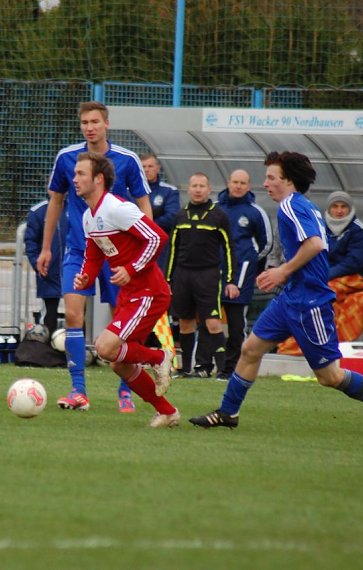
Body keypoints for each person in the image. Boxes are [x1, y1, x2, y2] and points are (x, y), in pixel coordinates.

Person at [190, 151, 363, 435]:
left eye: (271, 177)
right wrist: (284, 274)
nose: (265, 183)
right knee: (250, 349)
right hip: (289, 299)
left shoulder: (292, 205)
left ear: (289, 180)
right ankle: (228, 412)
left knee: (329, 377)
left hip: (310, 303)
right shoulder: (295, 206)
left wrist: (282, 271)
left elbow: (316, 244)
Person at [36, 101, 152, 413]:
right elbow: (55, 203)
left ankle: (125, 390)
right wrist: (46, 247)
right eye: (85, 122)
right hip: (78, 250)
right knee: (73, 315)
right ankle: (78, 391)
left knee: (122, 321)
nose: (90, 127)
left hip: (118, 253)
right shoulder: (66, 158)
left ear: (106, 124)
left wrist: (143, 250)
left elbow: (144, 205)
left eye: (95, 122)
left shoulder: (126, 160)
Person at [72, 152, 177, 427]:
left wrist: (131, 269)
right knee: (119, 362)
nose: (75, 179)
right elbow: (95, 253)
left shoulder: (117, 208)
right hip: (131, 295)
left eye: (81, 174)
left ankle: (160, 356)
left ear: (98, 179)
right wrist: (85, 276)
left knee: (105, 347)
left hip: (149, 292)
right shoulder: (88, 216)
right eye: (75, 174)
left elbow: (157, 237)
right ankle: (167, 411)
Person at [195, 169, 272, 380]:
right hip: (213, 273)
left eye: (243, 183)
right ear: (228, 183)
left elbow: (267, 244)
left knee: (237, 323)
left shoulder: (255, 212)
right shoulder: (215, 209)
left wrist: (251, 266)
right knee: (207, 319)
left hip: (242, 274)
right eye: (235, 182)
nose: (238, 186)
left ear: (248, 186)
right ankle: (203, 365)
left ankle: (231, 369)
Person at [165, 172, 239, 378]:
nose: (198, 190)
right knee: (186, 322)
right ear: (188, 189)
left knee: (213, 323)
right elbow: (172, 249)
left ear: (209, 190)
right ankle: (186, 368)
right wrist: (168, 280)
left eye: (202, 186)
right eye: (194, 186)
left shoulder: (218, 216)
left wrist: (230, 280)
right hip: (183, 275)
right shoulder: (180, 216)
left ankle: (224, 370)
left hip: (208, 275)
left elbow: (229, 249)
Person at [24, 199, 66, 337]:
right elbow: (31, 243)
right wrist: (38, 265)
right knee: (49, 316)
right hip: (49, 275)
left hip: (75, 274)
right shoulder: (38, 211)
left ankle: (77, 351)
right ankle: (46, 352)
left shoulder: (77, 208)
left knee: (77, 315)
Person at [140, 152, 180, 272]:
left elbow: (172, 217)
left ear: (158, 168)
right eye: (143, 167)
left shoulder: (169, 191)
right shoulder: (130, 192)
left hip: (161, 247)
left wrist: (147, 225)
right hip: (137, 245)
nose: (147, 170)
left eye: (150, 166)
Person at [324, 190, 363, 281]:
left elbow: (354, 262)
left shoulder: (360, 230)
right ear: (329, 209)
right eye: (335, 206)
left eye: (343, 207)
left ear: (349, 209)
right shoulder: (322, 227)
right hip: (327, 275)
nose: (339, 211)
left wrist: (326, 275)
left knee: (323, 291)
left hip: (355, 277)